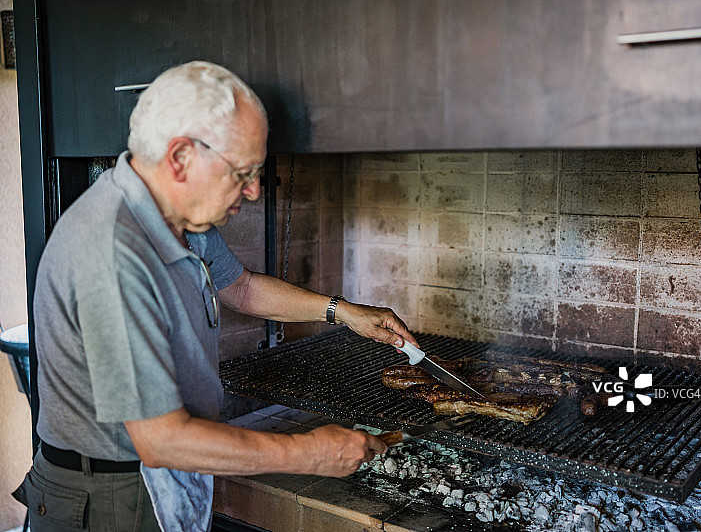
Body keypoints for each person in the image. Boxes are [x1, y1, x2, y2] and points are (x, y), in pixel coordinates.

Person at [13, 61, 417, 531]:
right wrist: (311, 452)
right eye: (242, 172)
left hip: (156, 476)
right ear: (181, 157)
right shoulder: (113, 251)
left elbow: (241, 288)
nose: (253, 190)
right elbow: (162, 441)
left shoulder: (182, 222)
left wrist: (342, 312)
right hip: (110, 496)